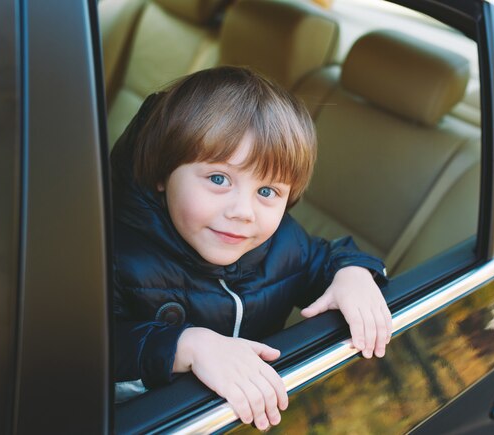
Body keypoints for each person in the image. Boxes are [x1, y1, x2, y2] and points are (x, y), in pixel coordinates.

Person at [112, 66, 391, 430]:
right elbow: (83, 351)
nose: (243, 212)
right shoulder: (116, 255)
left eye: (266, 192)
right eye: (218, 179)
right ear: (163, 174)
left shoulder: (282, 242)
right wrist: (186, 346)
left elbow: (326, 257)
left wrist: (353, 273)